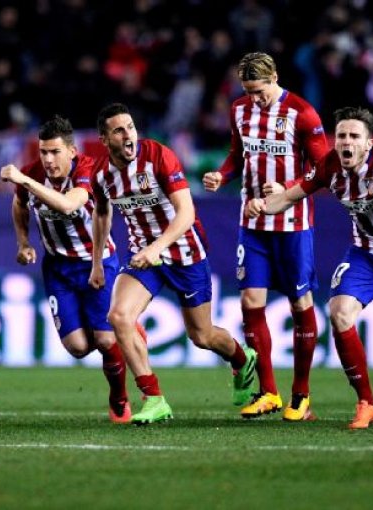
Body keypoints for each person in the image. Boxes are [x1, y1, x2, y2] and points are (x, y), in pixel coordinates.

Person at [248, 106, 373, 429]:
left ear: (368, 143)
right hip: (364, 253)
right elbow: (288, 197)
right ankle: (367, 402)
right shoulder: (329, 166)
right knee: (340, 311)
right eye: (342, 135)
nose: (346, 142)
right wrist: (262, 206)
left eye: (354, 136)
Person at [90, 102, 257, 425]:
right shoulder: (101, 175)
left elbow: (186, 213)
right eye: (119, 130)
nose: (128, 136)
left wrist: (157, 247)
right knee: (119, 316)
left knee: (202, 335)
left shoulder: (158, 156)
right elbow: (101, 213)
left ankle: (241, 358)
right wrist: (97, 262)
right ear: (104, 139)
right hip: (145, 258)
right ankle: (153, 398)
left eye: (131, 127)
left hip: (185, 253)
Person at [203, 52, 329, 420]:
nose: (254, 99)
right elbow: (235, 156)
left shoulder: (302, 114)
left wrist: (287, 187)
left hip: (293, 227)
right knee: (250, 302)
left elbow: (324, 171)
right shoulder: (239, 110)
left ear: (275, 76)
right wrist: (221, 176)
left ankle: (301, 396)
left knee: (299, 305)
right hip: (252, 225)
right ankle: (269, 393)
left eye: (259, 91)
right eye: (248, 91)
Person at [0, 115, 145, 424]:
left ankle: (119, 399)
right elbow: (19, 204)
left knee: (105, 341)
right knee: (78, 347)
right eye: (43, 152)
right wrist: (23, 242)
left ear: (72, 151)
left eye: (55, 152)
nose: (48, 159)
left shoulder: (89, 170)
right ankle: (124, 330)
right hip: (58, 269)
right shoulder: (32, 175)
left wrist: (24, 181)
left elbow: (69, 204)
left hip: (97, 262)